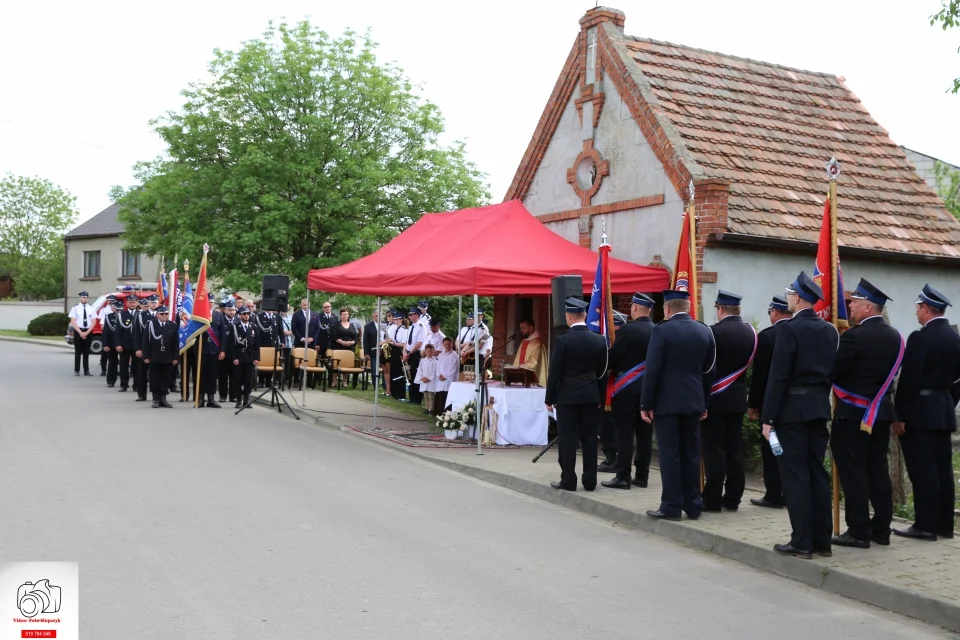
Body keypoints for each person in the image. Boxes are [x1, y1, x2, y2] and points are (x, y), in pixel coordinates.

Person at [761, 272, 839, 559]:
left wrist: (768, 418)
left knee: (795, 477)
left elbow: (778, 376)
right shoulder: (829, 330)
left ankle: (802, 542)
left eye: (790, 295)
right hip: (818, 408)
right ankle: (822, 541)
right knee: (817, 473)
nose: (788, 299)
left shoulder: (788, 330)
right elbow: (832, 372)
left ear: (797, 298)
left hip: (791, 412)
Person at [828, 278, 903, 548]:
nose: (850, 306)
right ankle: (881, 529)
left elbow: (834, 371)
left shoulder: (855, 337)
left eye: (855, 302)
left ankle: (858, 530)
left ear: (869, 307)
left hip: (853, 414)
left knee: (853, 471)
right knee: (877, 470)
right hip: (881, 414)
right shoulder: (895, 336)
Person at [640, 290, 716, 520]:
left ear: (667, 309)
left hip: (667, 402)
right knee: (692, 453)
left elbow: (652, 370)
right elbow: (709, 370)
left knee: (670, 454)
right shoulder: (704, 331)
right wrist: (704, 401)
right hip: (694, 401)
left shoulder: (662, 331)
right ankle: (693, 504)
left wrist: (646, 402)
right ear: (688, 307)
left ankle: (671, 506)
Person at [893, 284, 960, 541]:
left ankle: (925, 525)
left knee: (923, 470)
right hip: (943, 410)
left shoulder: (920, 338)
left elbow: (909, 381)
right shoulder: (955, 337)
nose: (916, 313)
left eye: (918, 308)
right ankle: (944, 525)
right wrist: (946, 401)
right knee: (943, 469)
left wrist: (900, 416)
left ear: (927, 308)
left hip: (920, 412)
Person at [701, 290, 757, 512]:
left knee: (714, 449)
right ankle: (733, 497)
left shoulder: (713, 333)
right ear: (738, 310)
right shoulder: (750, 333)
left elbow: (707, 369)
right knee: (734, 450)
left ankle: (712, 498)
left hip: (715, 399)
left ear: (720, 309)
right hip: (737, 400)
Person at [544, 297, 608, 492]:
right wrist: (601, 397)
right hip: (591, 396)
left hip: (567, 396)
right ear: (585, 316)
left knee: (568, 438)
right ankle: (590, 481)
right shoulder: (599, 339)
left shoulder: (563, 340)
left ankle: (568, 480)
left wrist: (550, 398)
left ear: (569, 317)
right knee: (590, 438)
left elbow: (554, 371)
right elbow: (603, 372)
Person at [601, 293, 656, 490]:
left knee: (624, 433)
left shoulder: (628, 330)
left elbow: (614, 357)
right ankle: (642, 476)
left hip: (626, 388)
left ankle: (623, 475)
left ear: (634, 308)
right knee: (644, 434)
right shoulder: (657, 330)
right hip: (648, 388)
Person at [748, 295, 791, 509]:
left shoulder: (767, 336)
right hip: (795, 404)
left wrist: (753, 403)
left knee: (772, 448)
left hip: (770, 403)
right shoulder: (799, 332)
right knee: (791, 449)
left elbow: (760, 376)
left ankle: (774, 494)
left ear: (775, 313)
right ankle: (790, 493)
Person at [142, 305, 179, 408]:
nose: (164, 316)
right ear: (157, 315)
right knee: (154, 378)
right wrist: (146, 356)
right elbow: (145, 341)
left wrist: (176, 357)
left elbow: (176, 343)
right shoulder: (150, 324)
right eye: (162, 314)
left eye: (166, 314)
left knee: (166, 378)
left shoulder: (172, 325)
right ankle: (156, 399)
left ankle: (163, 399)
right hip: (154, 355)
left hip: (168, 356)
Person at [199, 303, 227, 408]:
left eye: (211, 302)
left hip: (215, 350)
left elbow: (223, 334)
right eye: (208, 302)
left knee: (212, 375)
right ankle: (201, 398)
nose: (209, 304)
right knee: (201, 375)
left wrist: (222, 350)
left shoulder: (218, 315)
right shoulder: (199, 315)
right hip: (202, 349)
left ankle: (211, 398)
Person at [232, 306, 259, 408]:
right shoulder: (235, 327)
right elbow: (232, 344)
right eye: (244, 314)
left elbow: (257, 344)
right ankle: (239, 400)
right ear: (240, 315)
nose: (246, 316)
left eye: (248, 314)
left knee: (248, 379)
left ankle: (246, 400)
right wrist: (234, 357)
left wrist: (257, 357)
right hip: (239, 355)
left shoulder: (254, 327)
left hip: (249, 356)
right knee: (238, 379)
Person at [509, 318, 548, 385]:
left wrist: (520, 367)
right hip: (521, 378)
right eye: (520, 328)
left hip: (532, 380)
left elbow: (533, 361)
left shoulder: (537, 342)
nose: (521, 330)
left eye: (523, 328)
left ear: (531, 328)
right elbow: (517, 359)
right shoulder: (524, 341)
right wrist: (514, 371)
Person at [114, 294, 140, 392]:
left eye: (134, 302)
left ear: (137, 303)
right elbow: (118, 331)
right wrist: (118, 344)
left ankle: (136, 385)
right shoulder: (122, 314)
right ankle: (124, 384)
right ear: (127, 303)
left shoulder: (140, 314)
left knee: (136, 366)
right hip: (125, 344)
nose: (132, 304)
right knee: (123, 366)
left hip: (136, 345)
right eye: (130, 302)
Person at [68, 291, 96, 376]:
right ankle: (77, 370)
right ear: (80, 298)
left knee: (86, 351)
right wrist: (80, 332)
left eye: (86, 297)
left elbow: (94, 321)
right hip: (78, 330)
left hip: (88, 330)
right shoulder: (75, 308)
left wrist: (87, 332)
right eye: (83, 297)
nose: (85, 299)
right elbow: (73, 321)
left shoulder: (91, 308)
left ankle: (86, 370)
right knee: (78, 351)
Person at [132, 295, 155, 401]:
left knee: (156, 374)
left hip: (157, 350)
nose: (154, 304)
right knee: (142, 373)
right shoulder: (141, 315)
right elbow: (137, 333)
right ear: (148, 303)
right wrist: (138, 348)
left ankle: (157, 396)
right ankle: (141, 394)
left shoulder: (162, 314)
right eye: (152, 302)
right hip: (144, 348)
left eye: (156, 302)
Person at [404, 308, 426, 404]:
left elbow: (419, 343)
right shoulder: (411, 327)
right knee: (409, 375)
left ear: (416, 315)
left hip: (415, 354)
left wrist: (409, 353)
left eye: (411, 314)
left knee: (415, 376)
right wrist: (405, 352)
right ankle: (411, 397)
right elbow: (406, 341)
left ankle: (417, 399)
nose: (409, 316)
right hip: (408, 354)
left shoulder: (421, 327)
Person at [100, 297, 122, 388]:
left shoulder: (125, 316)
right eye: (116, 309)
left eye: (120, 309)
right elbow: (105, 332)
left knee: (123, 364)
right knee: (112, 362)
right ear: (113, 308)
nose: (118, 311)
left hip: (122, 343)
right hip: (111, 343)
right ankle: (111, 381)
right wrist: (105, 344)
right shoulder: (108, 317)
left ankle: (124, 382)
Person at [387, 311, 409, 400]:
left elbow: (404, 343)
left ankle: (400, 394)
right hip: (394, 351)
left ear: (400, 319)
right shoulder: (395, 329)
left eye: (396, 319)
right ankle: (394, 392)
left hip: (399, 351)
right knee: (394, 371)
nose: (394, 321)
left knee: (400, 373)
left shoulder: (404, 330)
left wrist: (394, 344)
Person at [435, 337, 459, 414]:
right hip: (441, 379)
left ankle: (447, 413)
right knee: (440, 395)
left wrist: (445, 376)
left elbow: (454, 368)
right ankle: (439, 412)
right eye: (446, 344)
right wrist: (439, 375)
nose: (447, 346)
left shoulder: (455, 355)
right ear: (443, 345)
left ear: (452, 344)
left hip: (449, 380)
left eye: (449, 344)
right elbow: (438, 366)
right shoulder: (440, 355)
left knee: (447, 396)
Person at [97, 295, 118, 377]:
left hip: (115, 333)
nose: (110, 302)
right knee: (105, 353)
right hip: (106, 332)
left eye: (112, 300)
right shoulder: (104, 310)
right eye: (109, 300)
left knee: (114, 355)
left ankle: (115, 370)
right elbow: (102, 322)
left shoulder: (117, 309)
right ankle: (103, 369)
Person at [417, 344, 439, 415]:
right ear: (425, 352)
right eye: (428, 351)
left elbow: (436, 372)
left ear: (433, 352)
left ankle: (431, 409)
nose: (429, 353)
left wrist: (429, 379)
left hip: (431, 382)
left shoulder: (435, 362)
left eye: (431, 351)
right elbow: (420, 371)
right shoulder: (422, 361)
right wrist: (422, 378)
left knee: (431, 396)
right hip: (424, 381)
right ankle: (427, 408)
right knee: (425, 396)